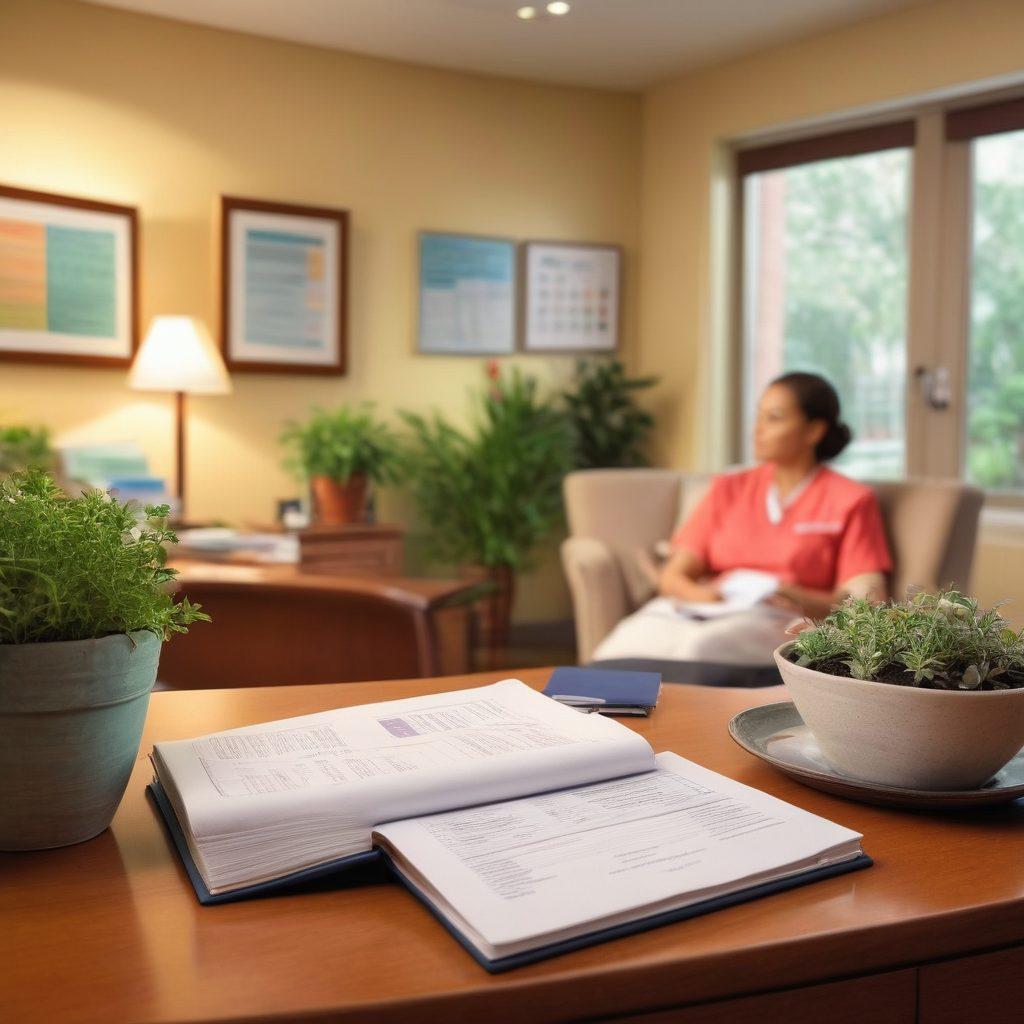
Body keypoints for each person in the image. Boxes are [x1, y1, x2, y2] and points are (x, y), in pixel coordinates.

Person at [592, 372, 893, 666]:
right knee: (617, 648)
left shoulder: (850, 499)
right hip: (702, 609)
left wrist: (795, 595)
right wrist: (705, 596)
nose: (756, 429)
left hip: (778, 619)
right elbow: (673, 576)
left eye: (773, 418)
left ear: (813, 431)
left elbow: (867, 603)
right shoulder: (729, 488)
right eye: (758, 416)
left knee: (698, 651)